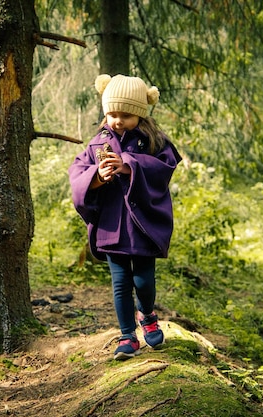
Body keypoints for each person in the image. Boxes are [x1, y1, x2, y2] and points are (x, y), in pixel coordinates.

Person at [68, 74, 182, 360]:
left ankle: (148, 314)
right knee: (120, 284)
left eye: (126, 115)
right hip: (112, 226)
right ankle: (128, 336)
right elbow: (77, 173)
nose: (117, 120)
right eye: (111, 114)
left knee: (143, 281)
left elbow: (165, 167)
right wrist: (97, 177)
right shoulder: (98, 144)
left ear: (140, 114)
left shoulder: (153, 142)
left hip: (142, 225)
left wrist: (130, 164)